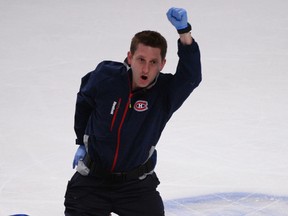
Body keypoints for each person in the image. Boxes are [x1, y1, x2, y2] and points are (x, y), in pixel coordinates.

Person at [64, 7, 202, 216]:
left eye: (153, 62)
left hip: (135, 187)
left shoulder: (165, 93)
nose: (146, 69)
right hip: (92, 181)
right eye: (141, 60)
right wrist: (80, 141)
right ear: (130, 57)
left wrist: (185, 33)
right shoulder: (105, 76)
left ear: (162, 64)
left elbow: (191, 76)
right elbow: (84, 101)